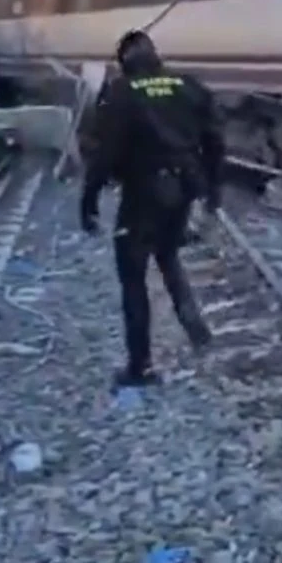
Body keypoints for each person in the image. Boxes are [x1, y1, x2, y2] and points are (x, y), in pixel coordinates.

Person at [79, 29, 224, 387]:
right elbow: (216, 142)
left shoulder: (121, 93)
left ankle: (140, 367)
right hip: (183, 189)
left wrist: (89, 199)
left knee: (132, 275)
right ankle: (197, 331)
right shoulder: (188, 86)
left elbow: (104, 153)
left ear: (124, 61)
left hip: (143, 192)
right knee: (168, 252)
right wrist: (212, 191)